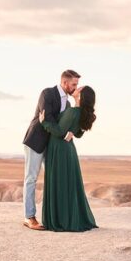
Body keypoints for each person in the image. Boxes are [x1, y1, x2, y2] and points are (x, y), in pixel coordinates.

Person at [21, 70, 80, 230]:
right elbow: (47, 120)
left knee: (53, 179)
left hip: (52, 145)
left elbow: (68, 123)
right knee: (31, 178)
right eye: (74, 84)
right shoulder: (47, 94)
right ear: (65, 83)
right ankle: (29, 217)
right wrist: (64, 133)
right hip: (36, 141)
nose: (75, 88)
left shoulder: (68, 104)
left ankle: (53, 216)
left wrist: (70, 131)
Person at [38, 85, 97, 232]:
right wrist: (71, 131)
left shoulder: (73, 111)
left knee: (60, 182)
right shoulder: (80, 112)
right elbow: (79, 134)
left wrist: (44, 122)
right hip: (68, 149)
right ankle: (70, 217)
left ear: (81, 96)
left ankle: (61, 220)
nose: (75, 89)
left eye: (79, 89)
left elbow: (59, 131)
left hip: (59, 149)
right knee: (68, 183)